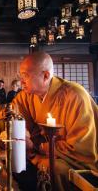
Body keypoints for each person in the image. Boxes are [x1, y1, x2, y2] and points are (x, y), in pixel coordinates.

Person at [12, 51, 98, 191]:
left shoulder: (75, 96)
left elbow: (80, 149)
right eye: (20, 76)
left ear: (45, 76)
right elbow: (10, 114)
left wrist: (38, 147)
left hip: (74, 160)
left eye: (25, 76)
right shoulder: (26, 96)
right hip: (43, 153)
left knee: (56, 168)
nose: (21, 82)